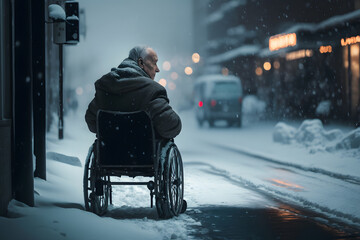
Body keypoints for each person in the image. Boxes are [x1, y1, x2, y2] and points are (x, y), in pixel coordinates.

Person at [85, 46, 181, 139]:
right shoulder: (152, 91)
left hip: (108, 152)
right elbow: (171, 126)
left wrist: (114, 133)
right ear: (141, 63)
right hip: (144, 153)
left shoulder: (106, 86)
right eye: (154, 63)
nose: (157, 69)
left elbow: (91, 121)